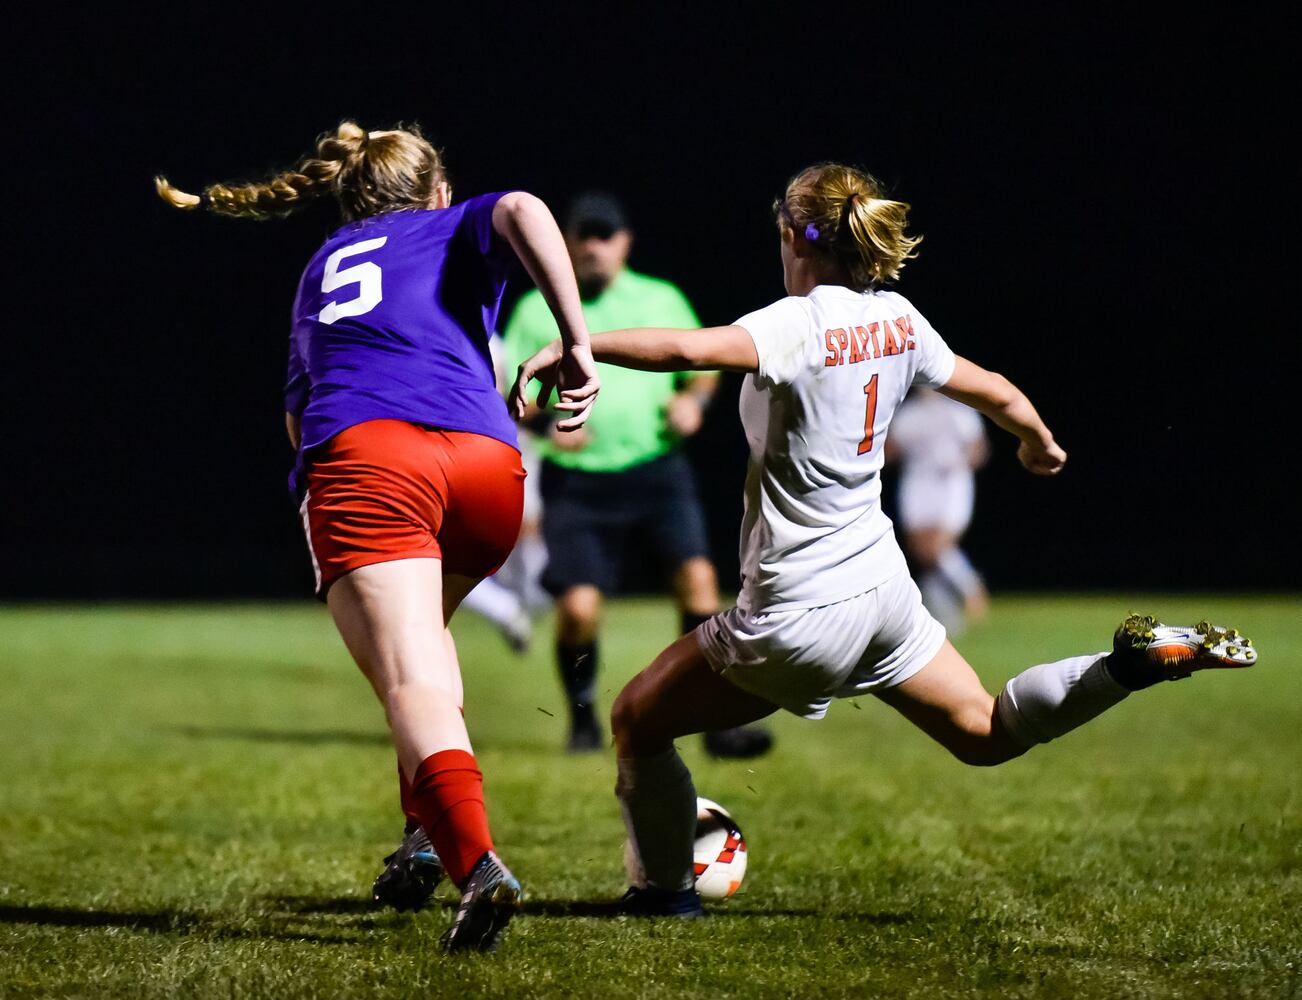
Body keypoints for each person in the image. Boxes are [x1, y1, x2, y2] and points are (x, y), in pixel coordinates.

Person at [511, 162, 1257, 917]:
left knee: (637, 719)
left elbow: (685, 350)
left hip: (797, 609)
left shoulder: (797, 321)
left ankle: (662, 895)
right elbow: (992, 387)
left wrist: (579, 344)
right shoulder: (898, 318)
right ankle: (1121, 666)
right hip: (883, 593)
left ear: (795, 238)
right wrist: (1035, 440)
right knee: (986, 730)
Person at [155, 120, 600, 952]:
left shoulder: (322, 266)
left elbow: (298, 419)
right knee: (424, 656)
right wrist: (576, 340)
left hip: (375, 460)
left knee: (411, 682)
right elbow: (527, 209)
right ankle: (424, 831)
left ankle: (475, 864)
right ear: (436, 191)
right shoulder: (452, 221)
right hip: (487, 465)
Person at [503, 191, 773, 759]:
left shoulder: (660, 297)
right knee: (578, 608)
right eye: (585, 236)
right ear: (568, 244)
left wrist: (694, 404)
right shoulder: (536, 308)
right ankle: (580, 721)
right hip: (579, 481)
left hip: (656, 469)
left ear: (625, 243)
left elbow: (702, 368)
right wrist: (551, 421)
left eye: (607, 236)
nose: (594, 247)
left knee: (699, 583)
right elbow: (513, 397)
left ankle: (711, 720)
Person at [886, 386, 990, 634]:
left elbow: (978, 447)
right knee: (921, 551)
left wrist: (963, 464)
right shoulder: (908, 414)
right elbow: (890, 449)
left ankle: (971, 588)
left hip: (950, 482)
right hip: (917, 482)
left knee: (938, 546)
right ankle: (943, 616)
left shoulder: (958, 412)